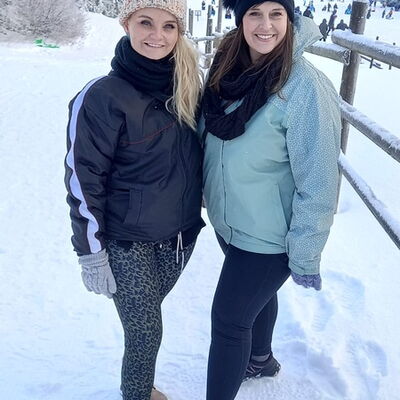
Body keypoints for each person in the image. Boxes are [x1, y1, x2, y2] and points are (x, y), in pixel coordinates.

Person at [200, 0, 341, 398]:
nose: (266, 25)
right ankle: (260, 358)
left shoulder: (305, 86)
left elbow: (319, 178)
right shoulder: (229, 66)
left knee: (228, 322)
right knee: (255, 301)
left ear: (290, 18)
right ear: (240, 19)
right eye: (254, 14)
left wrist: (306, 250)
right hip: (232, 220)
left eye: (276, 13)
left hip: (270, 235)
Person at [64, 0, 204, 399]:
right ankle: (138, 394)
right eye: (146, 22)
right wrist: (91, 251)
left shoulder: (187, 86)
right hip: (127, 241)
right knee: (145, 333)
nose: (157, 35)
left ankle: (140, 385)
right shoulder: (102, 96)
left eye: (169, 26)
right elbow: (82, 178)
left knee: (146, 321)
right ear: (127, 25)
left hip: (180, 237)